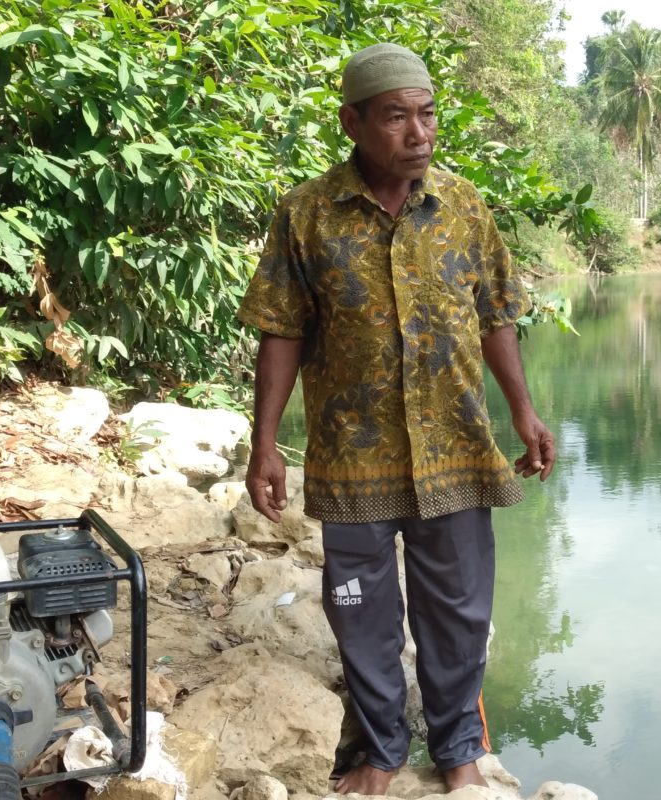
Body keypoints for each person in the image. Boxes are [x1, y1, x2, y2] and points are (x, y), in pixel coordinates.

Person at [237, 43, 556, 796]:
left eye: (427, 113)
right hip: (353, 457)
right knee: (360, 612)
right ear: (351, 122)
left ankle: (456, 749)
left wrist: (524, 410)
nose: (419, 132)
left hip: (456, 448)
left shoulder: (464, 206)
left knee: (459, 611)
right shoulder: (306, 214)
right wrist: (265, 446)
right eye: (396, 118)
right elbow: (280, 330)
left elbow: (496, 318)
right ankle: (380, 750)